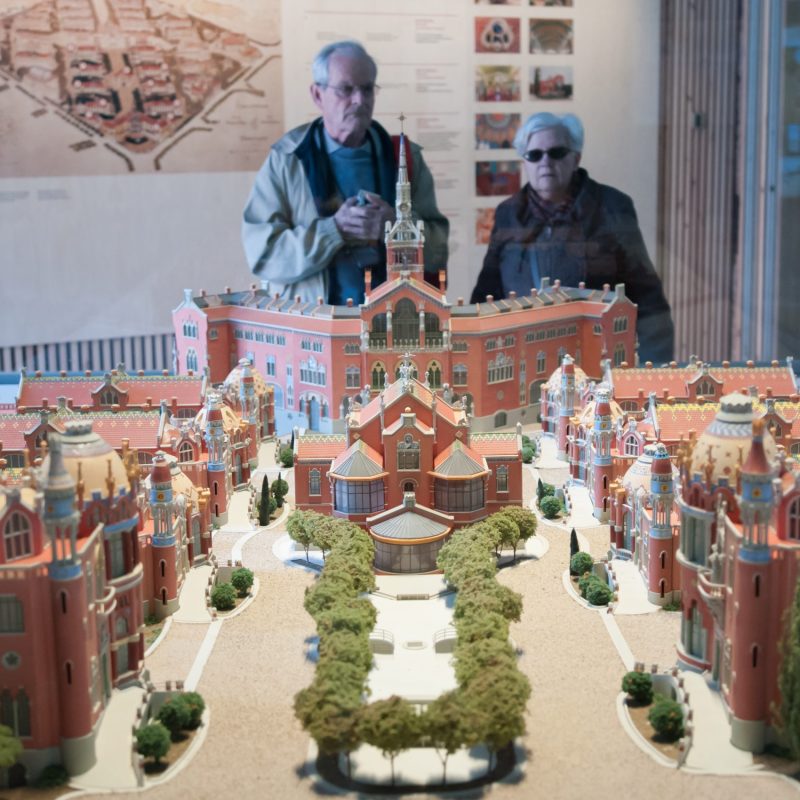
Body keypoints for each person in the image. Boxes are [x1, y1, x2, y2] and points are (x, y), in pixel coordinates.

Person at [242, 40, 449, 306]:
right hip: (315, 330)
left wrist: (395, 227)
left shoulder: (406, 159)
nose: (359, 100)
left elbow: (438, 251)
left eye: (367, 89)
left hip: (393, 324)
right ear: (318, 95)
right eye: (346, 89)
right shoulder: (288, 160)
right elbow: (263, 255)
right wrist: (334, 230)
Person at [470, 112, 674, 364]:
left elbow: (647, 300)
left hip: (596, 362)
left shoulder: (612, 208)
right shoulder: (508, 214)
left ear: (575, 158)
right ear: (525, 164)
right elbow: (485, 295)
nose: (545, 161)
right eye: (534, 155)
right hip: (525, 362)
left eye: (556, 153)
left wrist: (650, 372)